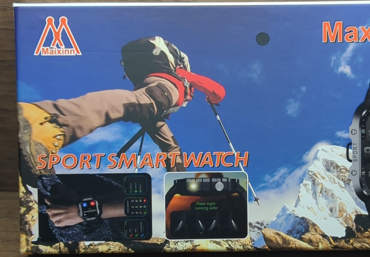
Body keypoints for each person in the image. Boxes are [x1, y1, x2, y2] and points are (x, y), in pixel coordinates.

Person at [18, 37, 226, 186]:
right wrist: (212, 98)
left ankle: (180, 184)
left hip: (153, 98)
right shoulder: (181, 74)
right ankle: (44, 122)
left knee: (171, 147)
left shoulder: (160, 74)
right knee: (140, 103)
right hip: (164, 90)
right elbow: (217, 90)